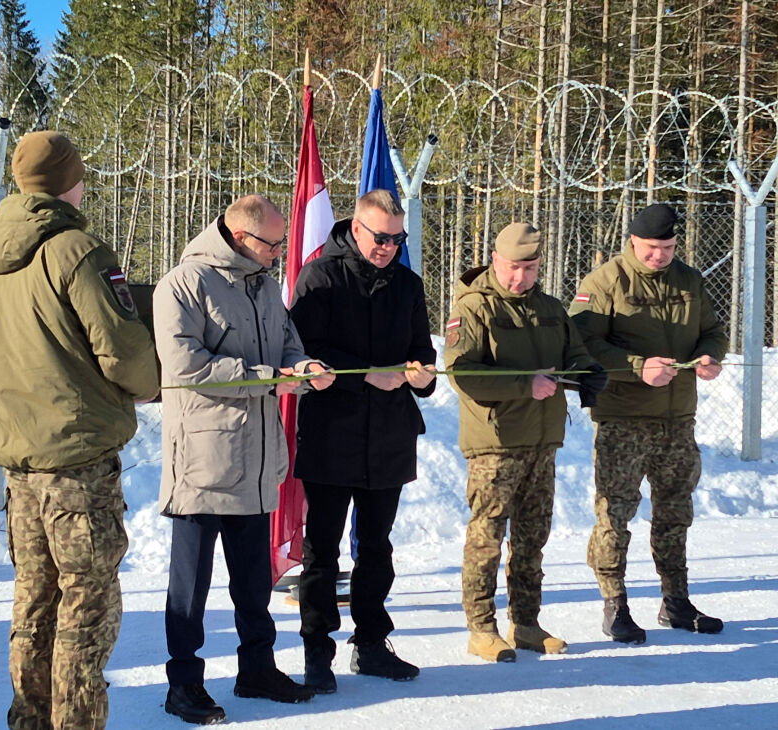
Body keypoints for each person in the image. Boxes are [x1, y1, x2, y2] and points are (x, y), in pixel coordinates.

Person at [0, 130, 159, 730]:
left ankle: (29, 719)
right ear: (70, 181)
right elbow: (124, 351)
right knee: (86, 605)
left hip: (20, 461)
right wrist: (148, 383)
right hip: (77, 463)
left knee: (34, 599)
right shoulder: (78, 251)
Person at [154, 195, 335, 724]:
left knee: (255, 584)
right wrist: (268, 379)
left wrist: (304, 367)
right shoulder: (183, 285)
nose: (279, 253)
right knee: (190, 588)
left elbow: (287, 347)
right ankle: (183, 683)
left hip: (256, 463)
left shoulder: (265, 286)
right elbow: (186, 367)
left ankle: (257, 669)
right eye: (272, 244)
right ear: (239, 236)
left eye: (282, 243)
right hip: (202, 466)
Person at [289, 189, 437, 693]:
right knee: (322, 550)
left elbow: (422, 352)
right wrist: (366, 374)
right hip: (332, 433)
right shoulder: (320, 277)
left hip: (390, 434)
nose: (388, 247)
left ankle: (371, 642)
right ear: (356, 229)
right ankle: (317, 650)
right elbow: (303, 352)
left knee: (376, 547)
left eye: (397, 239)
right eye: (380, 238)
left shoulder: (408, 284)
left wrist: (422, 375)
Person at [445, 223, 606, 663]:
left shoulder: (550, 309)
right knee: (487, 537)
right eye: (513, 268)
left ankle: (527, 623)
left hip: (542, 439)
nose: (521, 277)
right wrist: (524, 384)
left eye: (530, 269)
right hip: (495, 443)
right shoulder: (475, 307)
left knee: (533, 537)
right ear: (495, 260)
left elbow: (574, 353)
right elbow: (462, 372)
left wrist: (588, 373)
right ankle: (481, 628)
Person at [569, 202, 727, 644]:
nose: (660, 256)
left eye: (669, 248)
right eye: (651, 248)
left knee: (675, 510)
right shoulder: (605, 282)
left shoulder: (689, 281)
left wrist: (711, 355)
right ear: (632, 242)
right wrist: (636, 366)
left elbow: (713, 330)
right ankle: (614, 603)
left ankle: (676, 600)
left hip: (677, 418)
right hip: (623, 418)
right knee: (615, 512)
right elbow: (581, 344)